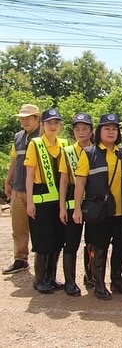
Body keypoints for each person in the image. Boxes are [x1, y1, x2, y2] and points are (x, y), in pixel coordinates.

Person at [73, 113, 122, 300]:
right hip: (99, 212)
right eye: (107, 128)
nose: (111, 132)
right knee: (98, 248)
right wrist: (77, 209)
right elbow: (80, 183)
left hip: (121, 211)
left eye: (114, 129)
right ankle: (98, 283)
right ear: (99, 131)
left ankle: (117, 280)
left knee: (120, 247)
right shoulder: (89, 153)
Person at [24, 109, 67, 294]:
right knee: (42, 241)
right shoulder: (35, 144)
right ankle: (39, 279)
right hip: (41, 199)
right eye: (49, 123)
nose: (53, 126)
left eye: (56, 122)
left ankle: (51, 277)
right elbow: (29, 174)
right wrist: (29, 202)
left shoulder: (64, 144)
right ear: (42, 125)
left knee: (57, 240)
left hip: (59, 201)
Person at [58, 112, 94, 296]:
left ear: (91, 131)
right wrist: (62, 207)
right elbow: (64, 181)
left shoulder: (97, 151)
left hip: (94, 201)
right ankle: (70, 281)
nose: (81, 132)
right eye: (77, 129)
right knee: (71, 242)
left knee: (93, 242)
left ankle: (90, 276)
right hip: (73, 200)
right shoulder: (68, 152)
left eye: (84, 128)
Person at [3, 104, 41, 275]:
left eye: (28, 118)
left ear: (36, 118)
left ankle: (42, 262)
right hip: (18, 188)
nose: (24, 121)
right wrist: (8, 181)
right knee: (18, 227)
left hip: (39, 189)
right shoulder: (18, 137)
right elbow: (14, 160)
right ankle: (20, 259)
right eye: (22, 118)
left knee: (40, 227)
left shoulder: (43, 135)